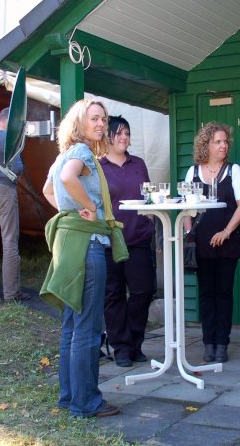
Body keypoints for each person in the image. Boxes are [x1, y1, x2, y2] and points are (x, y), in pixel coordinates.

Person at [42, 99, 121, 418]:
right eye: (94, 119)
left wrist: (71, 213)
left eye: (104, 119)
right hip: (87, 245)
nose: (101, 124)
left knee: (72, 325)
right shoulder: (82, 153)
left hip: (69, 246)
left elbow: (50, 190)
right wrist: (86, 207)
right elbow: (65, 182)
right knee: (87, 327)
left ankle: (69, 397)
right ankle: (86, 402)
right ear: (79, 123)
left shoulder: (62, 155)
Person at [185, 122, 240, 363]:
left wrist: (226, 232)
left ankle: (222, 343)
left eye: (225, 142)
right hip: (201, 244)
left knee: (223, 293)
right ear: (206, 144)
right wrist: (189, 233)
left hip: (227, 243)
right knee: (205, 293)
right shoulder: (193, 172)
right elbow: (187, 209)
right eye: (217, 141)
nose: (223, 145)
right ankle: (208, 343)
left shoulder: (234, 171)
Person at [100, 115, 155, 367]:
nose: (124, 138)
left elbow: (149, 196)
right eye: (118, 133)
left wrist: (152, 216)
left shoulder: (138, 164)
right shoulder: (98, 166)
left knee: (143, 291)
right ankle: (120, 347)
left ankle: (135, 342)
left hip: (139, 238)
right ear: (107, 137)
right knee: (113, 295)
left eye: (127, 133)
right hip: (111, 241)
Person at [0, 108, 28, 301]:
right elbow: (17, 168)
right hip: (4, 189)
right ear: (10, 121)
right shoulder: (9, 139)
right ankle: (11, 293)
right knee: (9, 241)